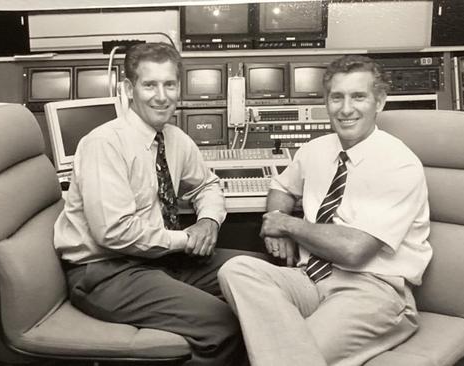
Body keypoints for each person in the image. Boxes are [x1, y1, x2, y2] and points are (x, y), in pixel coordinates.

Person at [218, 54, 433, 366]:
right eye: (337, 97)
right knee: (237, 270)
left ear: (380, 102)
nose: (346, 109)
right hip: (310, 280)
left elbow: (353, 250)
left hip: (372, 290)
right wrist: (279, 221)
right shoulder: (316, 149)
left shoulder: (399, 164)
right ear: (327, 102)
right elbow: (281, 186)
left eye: (358, 96)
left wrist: (287, 226)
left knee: (295, 353)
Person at [53, 42, 250, 366]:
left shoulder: (173, 138)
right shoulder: (105, 144)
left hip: (158, 261)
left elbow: (207, 184)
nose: (161, 96)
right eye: (150, 85)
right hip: (105, 272)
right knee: (220, 323)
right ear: (129, 88)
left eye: (169, 84)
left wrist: (208, 222)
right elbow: (114, 233)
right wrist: (187, 240)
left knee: (257, 275)